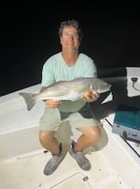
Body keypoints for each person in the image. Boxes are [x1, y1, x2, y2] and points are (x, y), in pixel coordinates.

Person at [39, 19, 101, 175]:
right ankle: (57, 154)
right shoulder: (50, 64)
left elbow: (91, 90)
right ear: (60, 40)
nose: (70, 39)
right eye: (66, 35)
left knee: (95, 135)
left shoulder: (88, 63)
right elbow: (45, 89)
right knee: (44, 138)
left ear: (79, 40)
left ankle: (76, 150)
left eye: (74, 35)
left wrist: (92, 98)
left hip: (79, 106)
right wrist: (47, 100)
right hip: (57, 107)